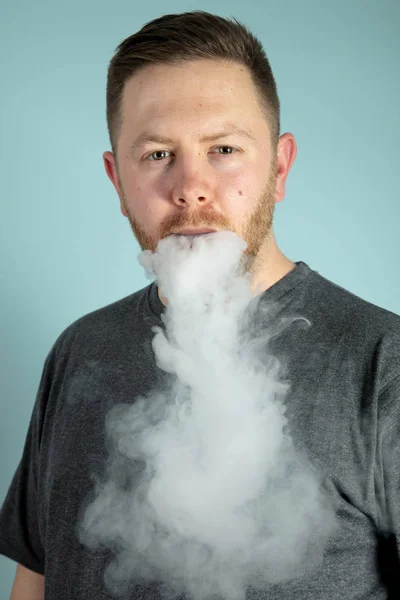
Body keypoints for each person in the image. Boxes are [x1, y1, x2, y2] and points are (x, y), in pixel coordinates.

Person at [1, 10, 399, 600]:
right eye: (157, 154)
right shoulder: (78, 350)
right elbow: (33, 581)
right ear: (116, 181)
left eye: (224, 148)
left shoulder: (382, 363)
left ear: (280, 167)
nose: (191, 185)